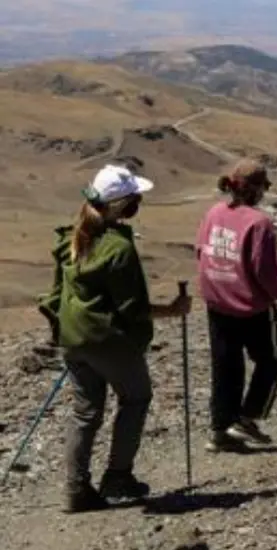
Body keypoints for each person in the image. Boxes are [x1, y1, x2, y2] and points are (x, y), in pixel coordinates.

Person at [37, 164, 192, 513]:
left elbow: (56, 294)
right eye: (135, 198)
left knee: (85, 412)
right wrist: (173, 309)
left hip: (73, 339)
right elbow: (133, 309)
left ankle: (76, 490)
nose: (139, 203)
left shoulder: (69, 239)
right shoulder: (119, 249)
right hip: (108, 341)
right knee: (136, 398)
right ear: (121, 205)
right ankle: (118, 477)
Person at [195, 159, 277, 452]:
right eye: (264, 186)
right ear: (257, 189)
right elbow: (269, 275)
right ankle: (247, 418)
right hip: (250, 308)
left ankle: (220, 428)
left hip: (217, 303)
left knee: (225, 366)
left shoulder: (214, 212)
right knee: (270, 360)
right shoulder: (258, 223)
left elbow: (202, 250)